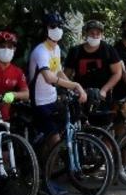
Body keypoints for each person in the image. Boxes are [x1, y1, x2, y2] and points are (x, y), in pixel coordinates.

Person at [28, 13, 87, 149]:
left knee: (60, 132)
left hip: (52, 98)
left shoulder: (56, 48)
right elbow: (49, 77)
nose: (57, 29)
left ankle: (48, 164)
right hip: (39, 101)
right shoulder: (40, 51)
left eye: (59, 26)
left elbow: (58, 71)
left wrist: (73, 88)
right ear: (45, 29)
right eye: (53, 26)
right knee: (55, 141)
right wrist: (75, 84)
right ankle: (46, 168)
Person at [63, 20, 123, 111]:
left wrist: (104, 90)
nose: (95, 36)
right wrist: (73, 90)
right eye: (92, 33)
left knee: (102, 124)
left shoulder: (108, 50)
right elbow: (65, 75)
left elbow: (117, 72)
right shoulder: (75, 51)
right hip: (80, 97)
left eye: (98, 33)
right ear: (86, 34)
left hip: (102, 98)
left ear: (102, 35)